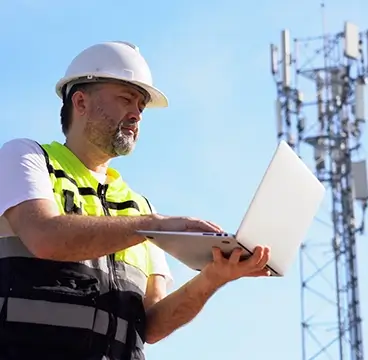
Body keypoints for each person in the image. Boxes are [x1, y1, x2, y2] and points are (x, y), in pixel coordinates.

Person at [0, 41, 271, 360]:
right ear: (81, 101)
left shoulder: (140, 208)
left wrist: (214, 277)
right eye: (126, 99)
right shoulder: (27, 158)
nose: (136, 114)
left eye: (141, 106)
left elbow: (151, 324)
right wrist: (154, 227)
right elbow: (45, 237)